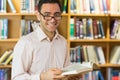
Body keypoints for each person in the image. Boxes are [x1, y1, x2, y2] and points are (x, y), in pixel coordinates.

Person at [12, 0, 81, 80]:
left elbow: (65, 72)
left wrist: (70, 76)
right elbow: (16, 78)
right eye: (47, 15)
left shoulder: (63, 42)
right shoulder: (25, 43)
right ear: (38, 15)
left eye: (57, 15)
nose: (52, 20)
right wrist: (42, 77)